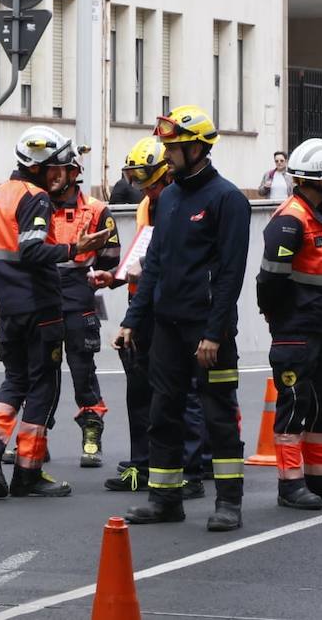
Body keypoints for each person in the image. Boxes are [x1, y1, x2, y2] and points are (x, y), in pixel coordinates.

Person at [122, 105, 250, 532]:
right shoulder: (171, 196)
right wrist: (131, 319)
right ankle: (164, 500)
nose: (168, 153)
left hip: (206, 331)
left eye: (174, 146)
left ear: (198, 148)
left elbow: (231, 274)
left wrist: (214, 333)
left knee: (217, 415)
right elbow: (153, 264)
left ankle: (228, 503)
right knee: (164, 412)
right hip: (167, 329)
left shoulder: (227, 199)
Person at [0, 125, 110, 499]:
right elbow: (31, 250)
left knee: (15, 380)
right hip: (41, 308)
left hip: (11, 308)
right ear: (41, 167)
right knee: (43, 385)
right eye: (56, 167)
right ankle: (28, 472)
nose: (60, 175)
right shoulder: (37, 198)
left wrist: (0, 279)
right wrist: (72, 250)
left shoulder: (0, 193)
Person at [98, 138, 211, 498]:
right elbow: (145, 255)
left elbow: (168, 263)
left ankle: (189, 468)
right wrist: (116, 279)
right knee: (144, 390)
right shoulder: (154, 204)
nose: (141, 186)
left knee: (182, 392)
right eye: (135, 178)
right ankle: (147, 463)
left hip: (173, 311)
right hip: (147, 306)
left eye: (146, 177)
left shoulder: (178, 203)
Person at [255, 137, 322, 510]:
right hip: (295, 330)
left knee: (317, 405)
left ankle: (315, 476)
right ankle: (290, 484)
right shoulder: (290, 221)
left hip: (315, 327)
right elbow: (270, 282)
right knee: (295, 404)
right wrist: (279, 322)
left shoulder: (316, 215)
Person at [47, 146, 120, 467]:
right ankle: (33, 438)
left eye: (57, 170)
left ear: (73, 173)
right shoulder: (34, 204)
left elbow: (111, 258)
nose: (51, 176)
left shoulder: (97, 210)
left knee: (82, 369)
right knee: (40, 370)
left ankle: (91, 432)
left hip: (79, 293)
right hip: (42, 293)